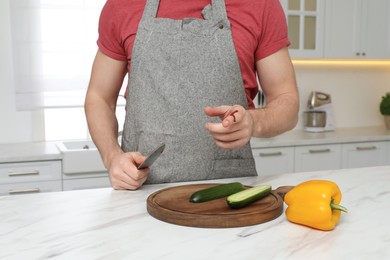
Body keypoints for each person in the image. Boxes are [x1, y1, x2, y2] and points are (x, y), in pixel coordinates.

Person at [85, 0, 299, 190]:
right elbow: (99, 98)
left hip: (228, 192)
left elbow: (286, 101)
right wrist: (112, 157)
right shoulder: (121, 5)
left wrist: (253, 121)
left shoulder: (261, 5)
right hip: (140, 192)